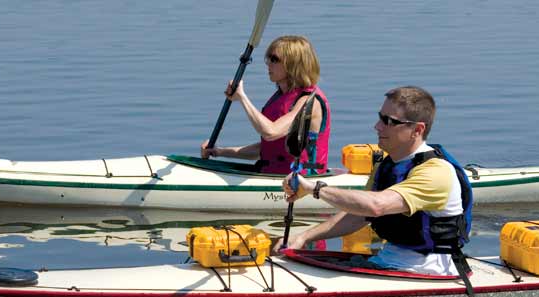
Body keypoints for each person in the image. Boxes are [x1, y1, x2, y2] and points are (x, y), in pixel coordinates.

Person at [276, 86, 473, 276]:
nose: (377, 126)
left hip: (428, 272)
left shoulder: (436, 172)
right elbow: (358, 215)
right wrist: (303, 237)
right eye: (380, 118)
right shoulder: (387, 165)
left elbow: (376, 206)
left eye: (389, 121)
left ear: (417, 129)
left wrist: (315, 189)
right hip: (388, 262)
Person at [201, 35, 331, 174]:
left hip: (301, 182)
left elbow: (270, 132)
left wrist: (242, 98)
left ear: (293, 64)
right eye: (268, 58)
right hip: (271, 172)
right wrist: (220, 152)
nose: (268, 63)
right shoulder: (280, 97)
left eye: (274, 59)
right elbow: (266, 149)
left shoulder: (309, 102)